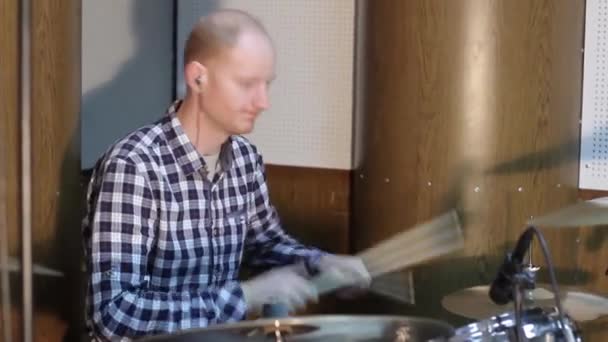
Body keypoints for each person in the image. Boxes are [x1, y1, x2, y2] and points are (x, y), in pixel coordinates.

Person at [82, 8, 370, 341]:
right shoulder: (134, 166)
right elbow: (115, 314)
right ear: (198, 78)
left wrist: (318, 263)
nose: (263, 101)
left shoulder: (246, 159)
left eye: (267, 84)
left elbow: (265, 244)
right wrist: (246, 297)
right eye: (247, 84)